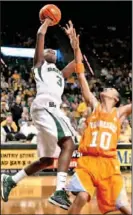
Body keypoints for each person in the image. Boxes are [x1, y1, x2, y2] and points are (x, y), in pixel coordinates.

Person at [1, 20, 77, 210]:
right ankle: (60, 191)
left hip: (50, 110)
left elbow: (78, 62)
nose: (50, 50)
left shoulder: (60, 73)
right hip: (46, 106)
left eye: (53, 50)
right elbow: (40, 36)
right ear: (41, 55)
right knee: (68, 143)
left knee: (47, 160)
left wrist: (74, 44)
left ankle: (11, 179)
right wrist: (47, 22)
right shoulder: (39, 65)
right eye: (47, 50)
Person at [66, 28, 132, 214]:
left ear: (116, 98)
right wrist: (76, 48)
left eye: (111, 88)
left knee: (123, 206)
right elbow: (80, 75)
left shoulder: (119, 113)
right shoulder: (94, 106)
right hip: (88, 162)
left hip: (109, 165)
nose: (107, 88)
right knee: (81, 197)